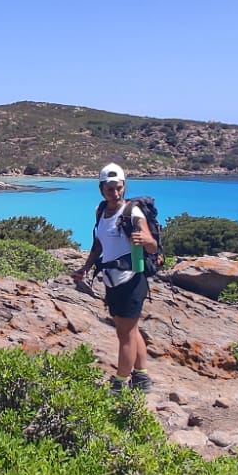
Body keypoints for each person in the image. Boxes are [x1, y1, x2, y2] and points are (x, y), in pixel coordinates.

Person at [70, 162, 158, 392]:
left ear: (124, 187)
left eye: (119, 188)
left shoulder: (133, 212)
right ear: (101, 189)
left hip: (131, 280)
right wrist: (86, 267)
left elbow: (151, 243)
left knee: (125, 334)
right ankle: (141, 378)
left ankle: (119, 384)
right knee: (130, 329)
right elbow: (99, 244)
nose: (115, 193)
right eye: (110, 189)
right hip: (112, 279)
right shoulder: (101, 211)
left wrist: (146, 241)